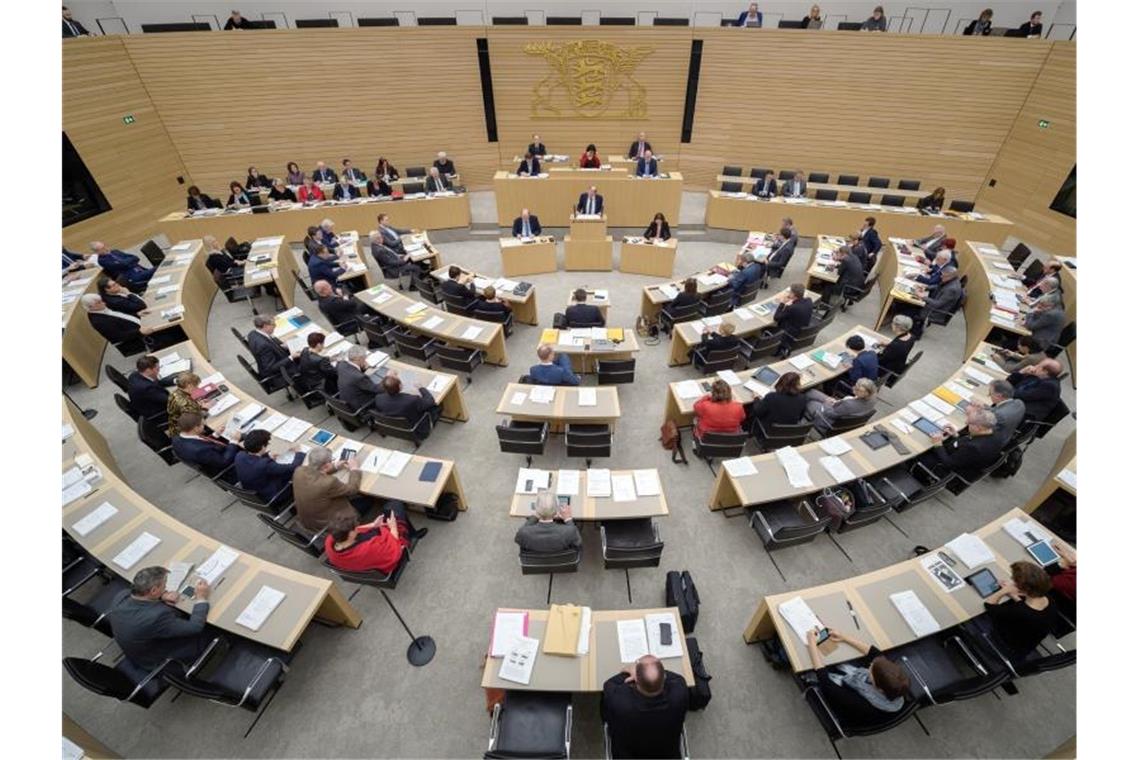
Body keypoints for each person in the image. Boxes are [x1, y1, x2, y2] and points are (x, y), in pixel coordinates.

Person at [106, 567, 211, 672]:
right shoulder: (156, 617)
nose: (166, 586)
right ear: (154, 590)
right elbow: (195, 627)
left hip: (139, 647)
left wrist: (162, 595)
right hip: (160, 659)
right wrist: (201, 597)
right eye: (164, 584)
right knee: (212, 628)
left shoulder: (121, 596)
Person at [805, 628, 910, 725]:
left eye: (871, 670)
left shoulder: (861, 704)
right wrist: (844, 637)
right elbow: (874, 654)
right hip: (856, 685)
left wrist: (812, 644)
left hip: (844, 706)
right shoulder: (895, 685)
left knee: (810, 666)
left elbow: (826, 683)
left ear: (878, 687)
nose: (871, 665)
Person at [601, 654, 690, 759]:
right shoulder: (679, 694)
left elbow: (609, 684)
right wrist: (654, 675)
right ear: (665, 677)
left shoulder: (619, 702)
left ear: (636, 679)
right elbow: (677, 678)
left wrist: (632, 669)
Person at [978, 560, 1058, 658]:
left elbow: (989, 605)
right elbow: (1026, 606)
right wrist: (1013, 595)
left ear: (1022, 588)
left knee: (974, 619)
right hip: (1024, 643)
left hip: (1004, 648)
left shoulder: (1020, 612)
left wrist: (1004, 591)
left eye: (1013, 580)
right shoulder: (1048, 599)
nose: (1011, 580)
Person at [325, 504, 426, 575]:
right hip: (388, 553)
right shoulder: (368, 550)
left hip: (364, 562)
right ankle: (413, 535)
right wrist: (393, 527)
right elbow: (395, 550)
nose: (358, 526)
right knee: (395, 506)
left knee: (389, 509)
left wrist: (373, 525)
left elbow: (359, 530)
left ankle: (411, 532)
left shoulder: (331, 541)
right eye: (355, 527)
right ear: (350, 534)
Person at [293, 446, 373, 531]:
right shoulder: (329, 482)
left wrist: (335, 466)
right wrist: (354, 469)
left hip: (307, 520)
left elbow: (316, 472)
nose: (332, 462)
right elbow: (352, 490)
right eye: (332, 461)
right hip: (328, 524)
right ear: (326, 465)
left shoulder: (299, 471)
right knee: (368, 500)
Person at [921, 408, 1004, 480]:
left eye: (969, 423)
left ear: (979, 428)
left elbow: (949, 463)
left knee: (921, 454)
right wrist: (956, 435)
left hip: (950, 471)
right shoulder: (994, 434)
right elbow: (967, 443)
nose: (966, 423)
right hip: (963, 459)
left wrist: (938, 444)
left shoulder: (974, 448)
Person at [235, 429, 305, 503]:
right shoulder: (265, 465)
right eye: (268, 444)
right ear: (262, 447)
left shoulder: (240, 455)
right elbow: (293, 467)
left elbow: (254, 462)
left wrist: (268, 455)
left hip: (256, 491)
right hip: (275, 495)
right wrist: (298, 451)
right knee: (299, 472)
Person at [171, 412, 241, 478]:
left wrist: (215, 435)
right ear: (196, 428)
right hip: (226, 468)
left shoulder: (176, 438)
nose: (204, 425)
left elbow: (200, 441)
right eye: (202, 424)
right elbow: (224, 461)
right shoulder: (200, 451)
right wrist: (234, 441)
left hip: (211, 456)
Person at [375, 373, 440, 438]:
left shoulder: (378, 398)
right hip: (417, 427)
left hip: (397, 426)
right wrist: (421, 388)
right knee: (435, 406)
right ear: (400, 386)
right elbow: (430, 401)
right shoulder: (412, 400)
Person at [803, 377, 877, 434]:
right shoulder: (873, 400)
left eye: (858, 390)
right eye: (856, 385)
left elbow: (829, 414)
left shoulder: (848, 404)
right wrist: (838, 402)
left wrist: (827, 403)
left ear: (866, 393)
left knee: (811, 402)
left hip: (828, 420)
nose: (854, 388)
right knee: (811, 392)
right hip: (840, 409)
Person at [515, 491, 580, 552]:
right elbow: (578, 542)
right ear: (557, 510)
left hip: (535, 562)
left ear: (536, 508)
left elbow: (518, 539)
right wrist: (568, 519)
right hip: (562, 560)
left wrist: (536, 515)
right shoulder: (569, 531)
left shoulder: (523, 533)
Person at [913, 266, 963, 338]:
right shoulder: (951, 280)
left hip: (935, 311)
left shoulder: (952, 289)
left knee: (910, 307)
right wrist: (925, 288)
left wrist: (922, 297)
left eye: (943, 275)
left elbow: (937, 304)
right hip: (934, 303)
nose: (941, 276)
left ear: (950, 276)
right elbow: (938, 286)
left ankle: (915, 332)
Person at [247, 314, 299, 379]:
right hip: (279, 374)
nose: (275, 326)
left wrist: (281, 346)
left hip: (276, 358)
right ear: (265, 326)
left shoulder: (252, 333)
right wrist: (291, 357)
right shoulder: (263, 345)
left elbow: (270, 347)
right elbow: (271, 368)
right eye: (273, 325)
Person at [977, 379, 1026, 446]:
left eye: (990, 393)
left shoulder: (999, 416)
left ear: (999, 396)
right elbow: (1000, 410)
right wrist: (985, 407)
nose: (989, 395)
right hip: (1008, 435)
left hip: (991, 443)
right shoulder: (1019, 403)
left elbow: (980, 428)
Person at [127, 355, 174, 419]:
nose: (159, 371)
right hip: (161, 412)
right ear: (148, 370)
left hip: (148, 404)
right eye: (157, 369)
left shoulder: (135, 375)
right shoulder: (147, 388)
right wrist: (191, 391)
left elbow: (157, 382)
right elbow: (170, 400)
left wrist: (175, 381)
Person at [337, 345, 383, 410]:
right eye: (365, 358)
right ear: (360, 359)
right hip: (360, 406)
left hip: (346, 401)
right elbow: (377, 389)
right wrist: (389, 378)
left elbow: (353, 371)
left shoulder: (341, 365)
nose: (366, 360)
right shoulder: (359, 377)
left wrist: (364, 368)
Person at [166, 371, 210, 437]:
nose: (198, 388)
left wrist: (196, 404)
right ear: (189, 386)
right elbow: (195, 421)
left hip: (174, 426)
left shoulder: (176, 392)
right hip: (186, 432)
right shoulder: (185, 404)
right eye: (196, 386)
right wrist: (205, 408)